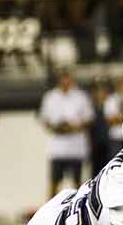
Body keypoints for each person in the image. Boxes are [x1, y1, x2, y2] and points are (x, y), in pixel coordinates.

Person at [39, 70, 93, 199]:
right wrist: (58, 127)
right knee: (54, 182)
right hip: (57, 149)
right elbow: (45, 120)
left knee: (77, 183)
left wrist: (74, 126)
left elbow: (89, 119)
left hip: (76, 148)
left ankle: (78, 210)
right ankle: (50, 212)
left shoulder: (81, 96)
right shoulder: (50, 97)